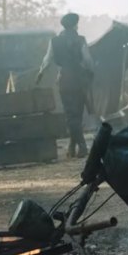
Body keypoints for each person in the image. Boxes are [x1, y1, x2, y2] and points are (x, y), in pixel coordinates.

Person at [36, 12, 93, 158]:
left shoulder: (54, 41)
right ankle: (81, 147)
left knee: (71, 115)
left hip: (64, 80)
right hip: (79, 80)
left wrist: (40, 74)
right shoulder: (81, 40)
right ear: (74, 25)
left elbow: (47, 59)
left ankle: (73, 147)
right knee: (77, 114)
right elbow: (87, 60)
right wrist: (90, 72)